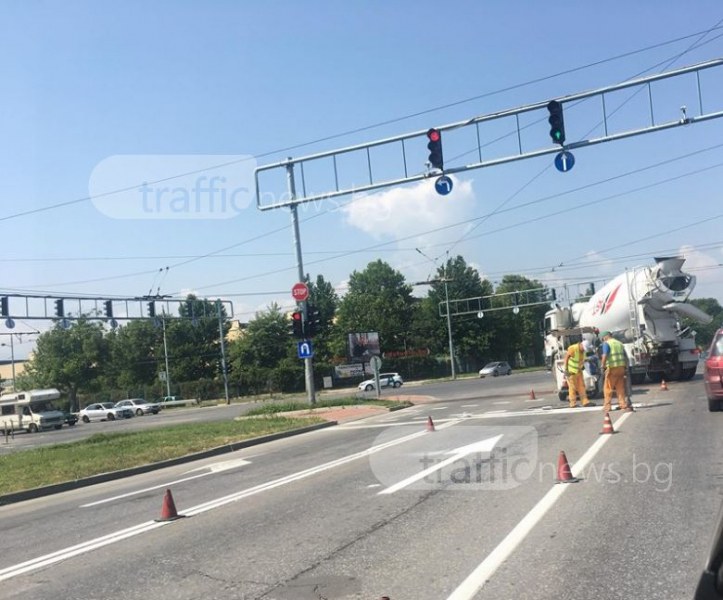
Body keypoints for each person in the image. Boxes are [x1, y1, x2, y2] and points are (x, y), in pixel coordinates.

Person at [600, 331, 633, 413]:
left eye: (603, 338)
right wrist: (626, 368)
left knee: (608, 388)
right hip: (621, 368)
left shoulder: (607, 343)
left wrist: (602, 366)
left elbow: (604, 355)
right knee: (620, 387)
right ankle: (623, 405)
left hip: (612, 368)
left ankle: (607, 406)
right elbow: (625, 356)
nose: (603, 340)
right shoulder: (619, 343)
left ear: (605, 337)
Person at [564, 340, 595, 408]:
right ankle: (572, 403)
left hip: (579, 371)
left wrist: (583, 365)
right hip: (571, 372)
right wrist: (566, 369)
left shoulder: (583, 351)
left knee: (582, 387)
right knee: (572, 388)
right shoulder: (573, 348)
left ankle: (585, 402)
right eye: (583, 348)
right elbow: (566, 358)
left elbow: (580, 360)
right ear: (581, 345)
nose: (584, 350)